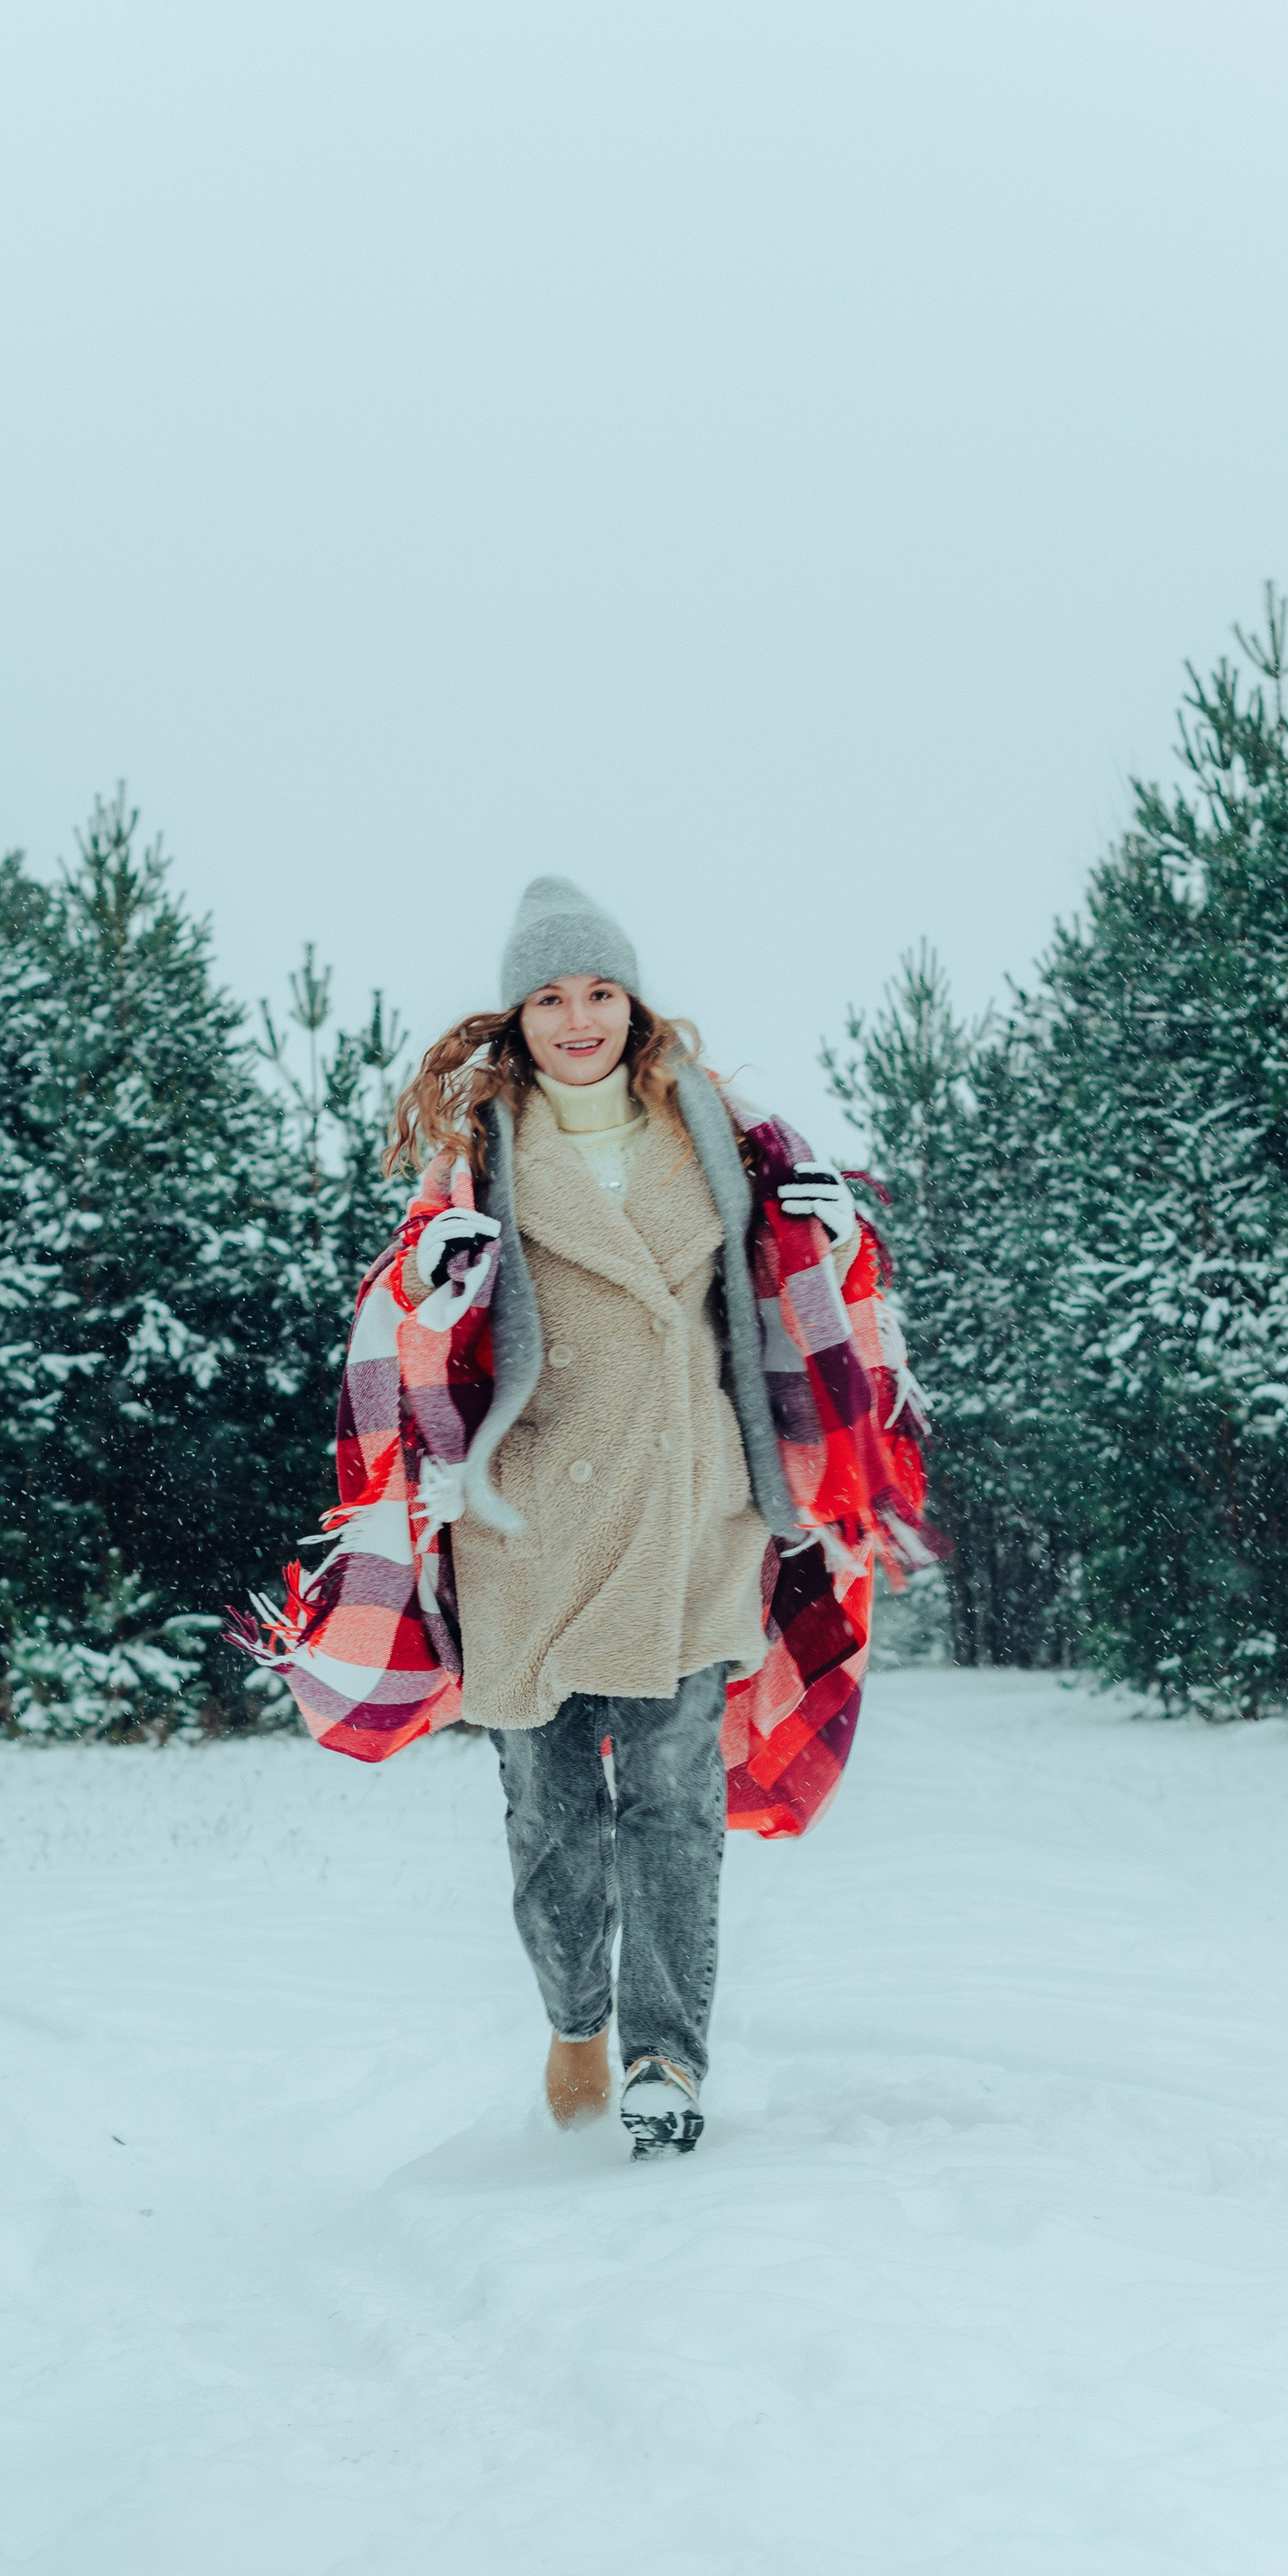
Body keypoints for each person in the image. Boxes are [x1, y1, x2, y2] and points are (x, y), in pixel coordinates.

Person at [256, 876, 931, 2160]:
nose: (581, 1020)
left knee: (674, 1795)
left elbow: (790, 1287)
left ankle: (665, 2059)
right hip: (528, 1529)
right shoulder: (479, 1162)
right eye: (552, 998)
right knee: (551, 1811)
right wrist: (433, 1286)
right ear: (518, 1020)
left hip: (693, 1511)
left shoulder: (731, 1142)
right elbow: (402, 1317)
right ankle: (576, 2018)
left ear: (634, 1003)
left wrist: (840, 1244)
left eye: (601, 992)